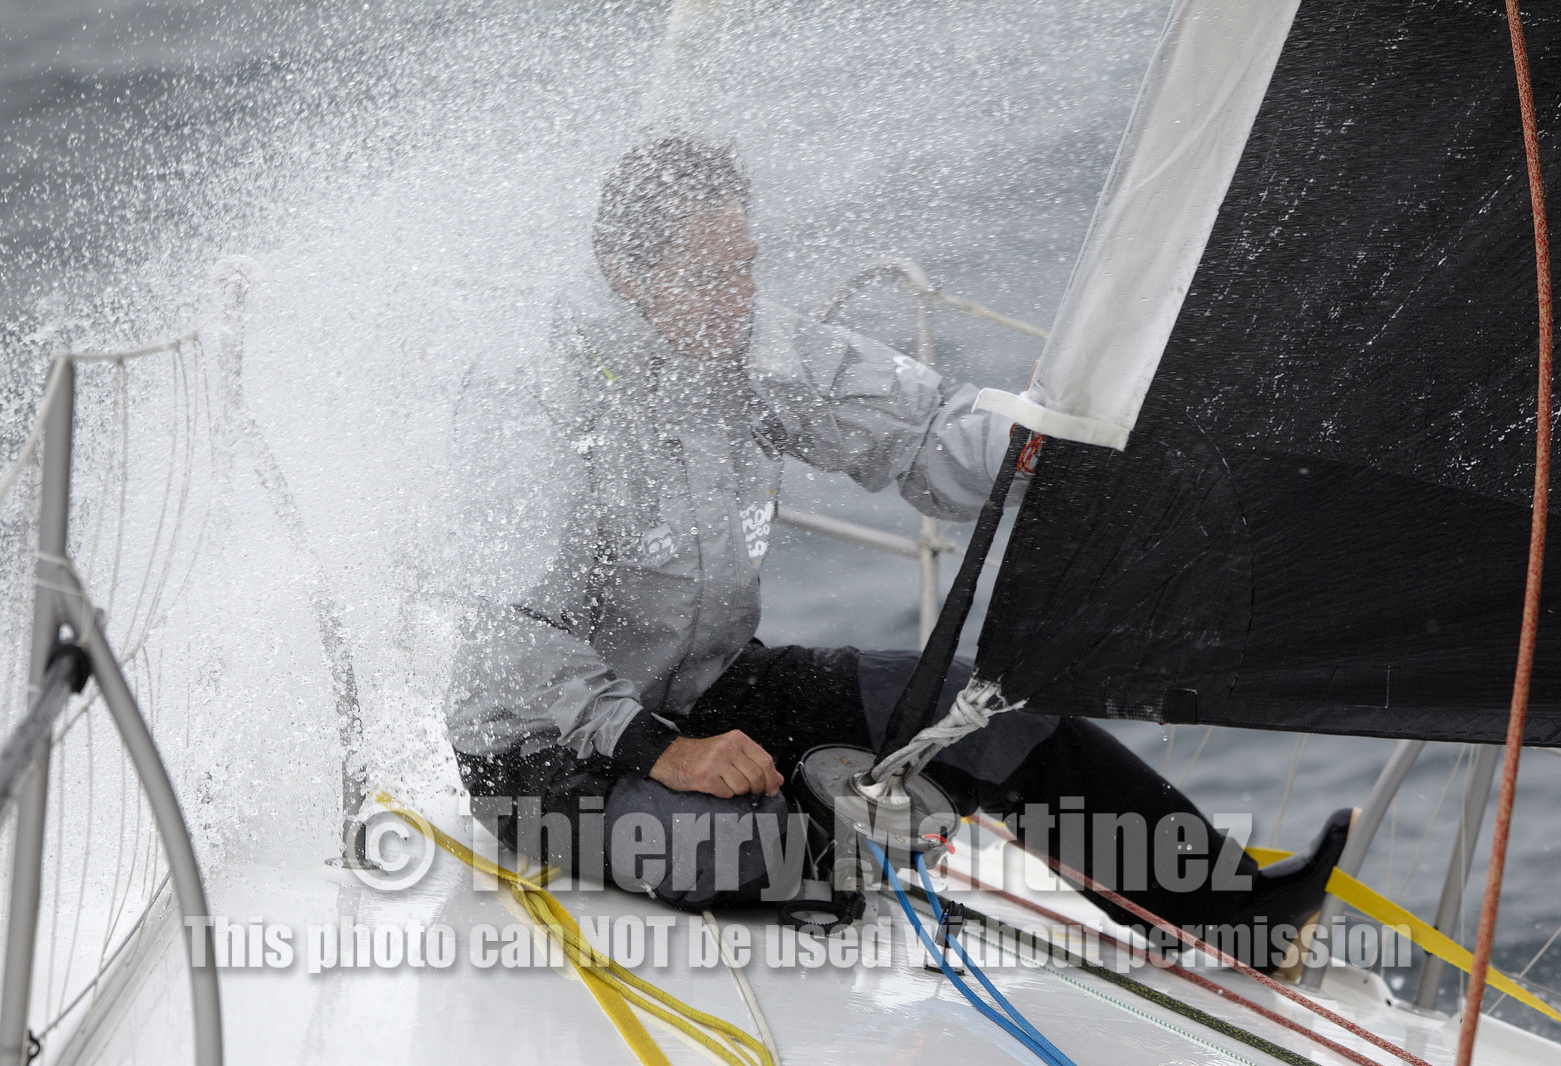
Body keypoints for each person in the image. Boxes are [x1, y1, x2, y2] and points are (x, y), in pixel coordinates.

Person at [445, 136, 1347, 969]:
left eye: (747, 267)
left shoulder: (748, 346)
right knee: (778, 852)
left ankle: (1237, 915)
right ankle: (787, 824)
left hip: (705, 688)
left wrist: (1061, 443)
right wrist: (659, 751)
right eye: (711, 275)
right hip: (549, 752)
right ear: (627, 276)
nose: (740, 297)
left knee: (993, 716)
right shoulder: (539, 401)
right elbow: (504, 631)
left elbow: (927, 433)